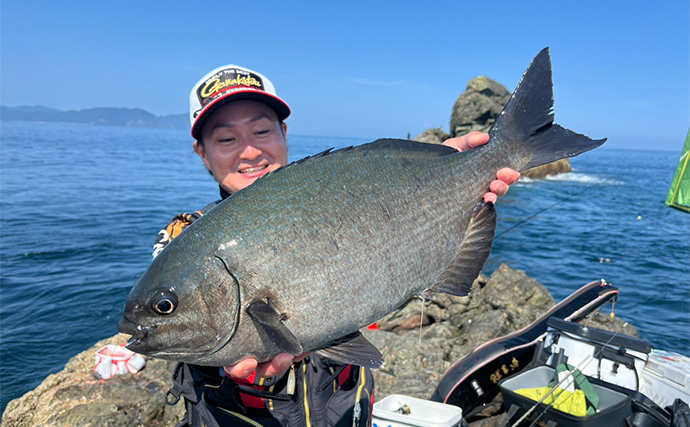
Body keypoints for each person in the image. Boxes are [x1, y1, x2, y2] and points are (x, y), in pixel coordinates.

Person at [156, 64, 520, 427]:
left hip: (347, 408)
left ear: (283, 133)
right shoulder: (183, 240)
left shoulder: (332, 196)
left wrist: (437, 176)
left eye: (262, 130)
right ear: (202, 152)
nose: (249, 151)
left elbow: (385, 243)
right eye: (225, 139)